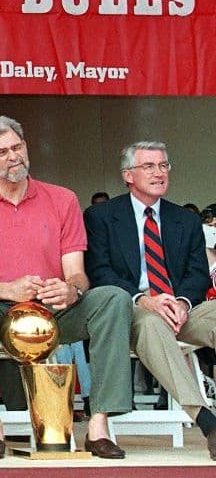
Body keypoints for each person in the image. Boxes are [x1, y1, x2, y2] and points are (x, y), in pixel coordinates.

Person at [0, 115, 132, 460]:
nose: (13, 156)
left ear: (27, 148)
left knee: (113, 298)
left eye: (17, 147)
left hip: (53, 309)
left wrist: (71, 290)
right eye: (2, 152)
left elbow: (77, 274)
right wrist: (8, 290)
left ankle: (98, 425)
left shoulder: (62, 198)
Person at [85, 141, 216, 459]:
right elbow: (100, 272)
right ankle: (207, 421)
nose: (159, 173)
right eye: (149, 166)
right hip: (131, 311)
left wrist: (182, 303)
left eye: (163, 165)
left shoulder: (184, 220)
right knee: (151, 324)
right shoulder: (102, 216)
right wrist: (144, 300)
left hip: (180, 310)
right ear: (128, 175)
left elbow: (198, 274)